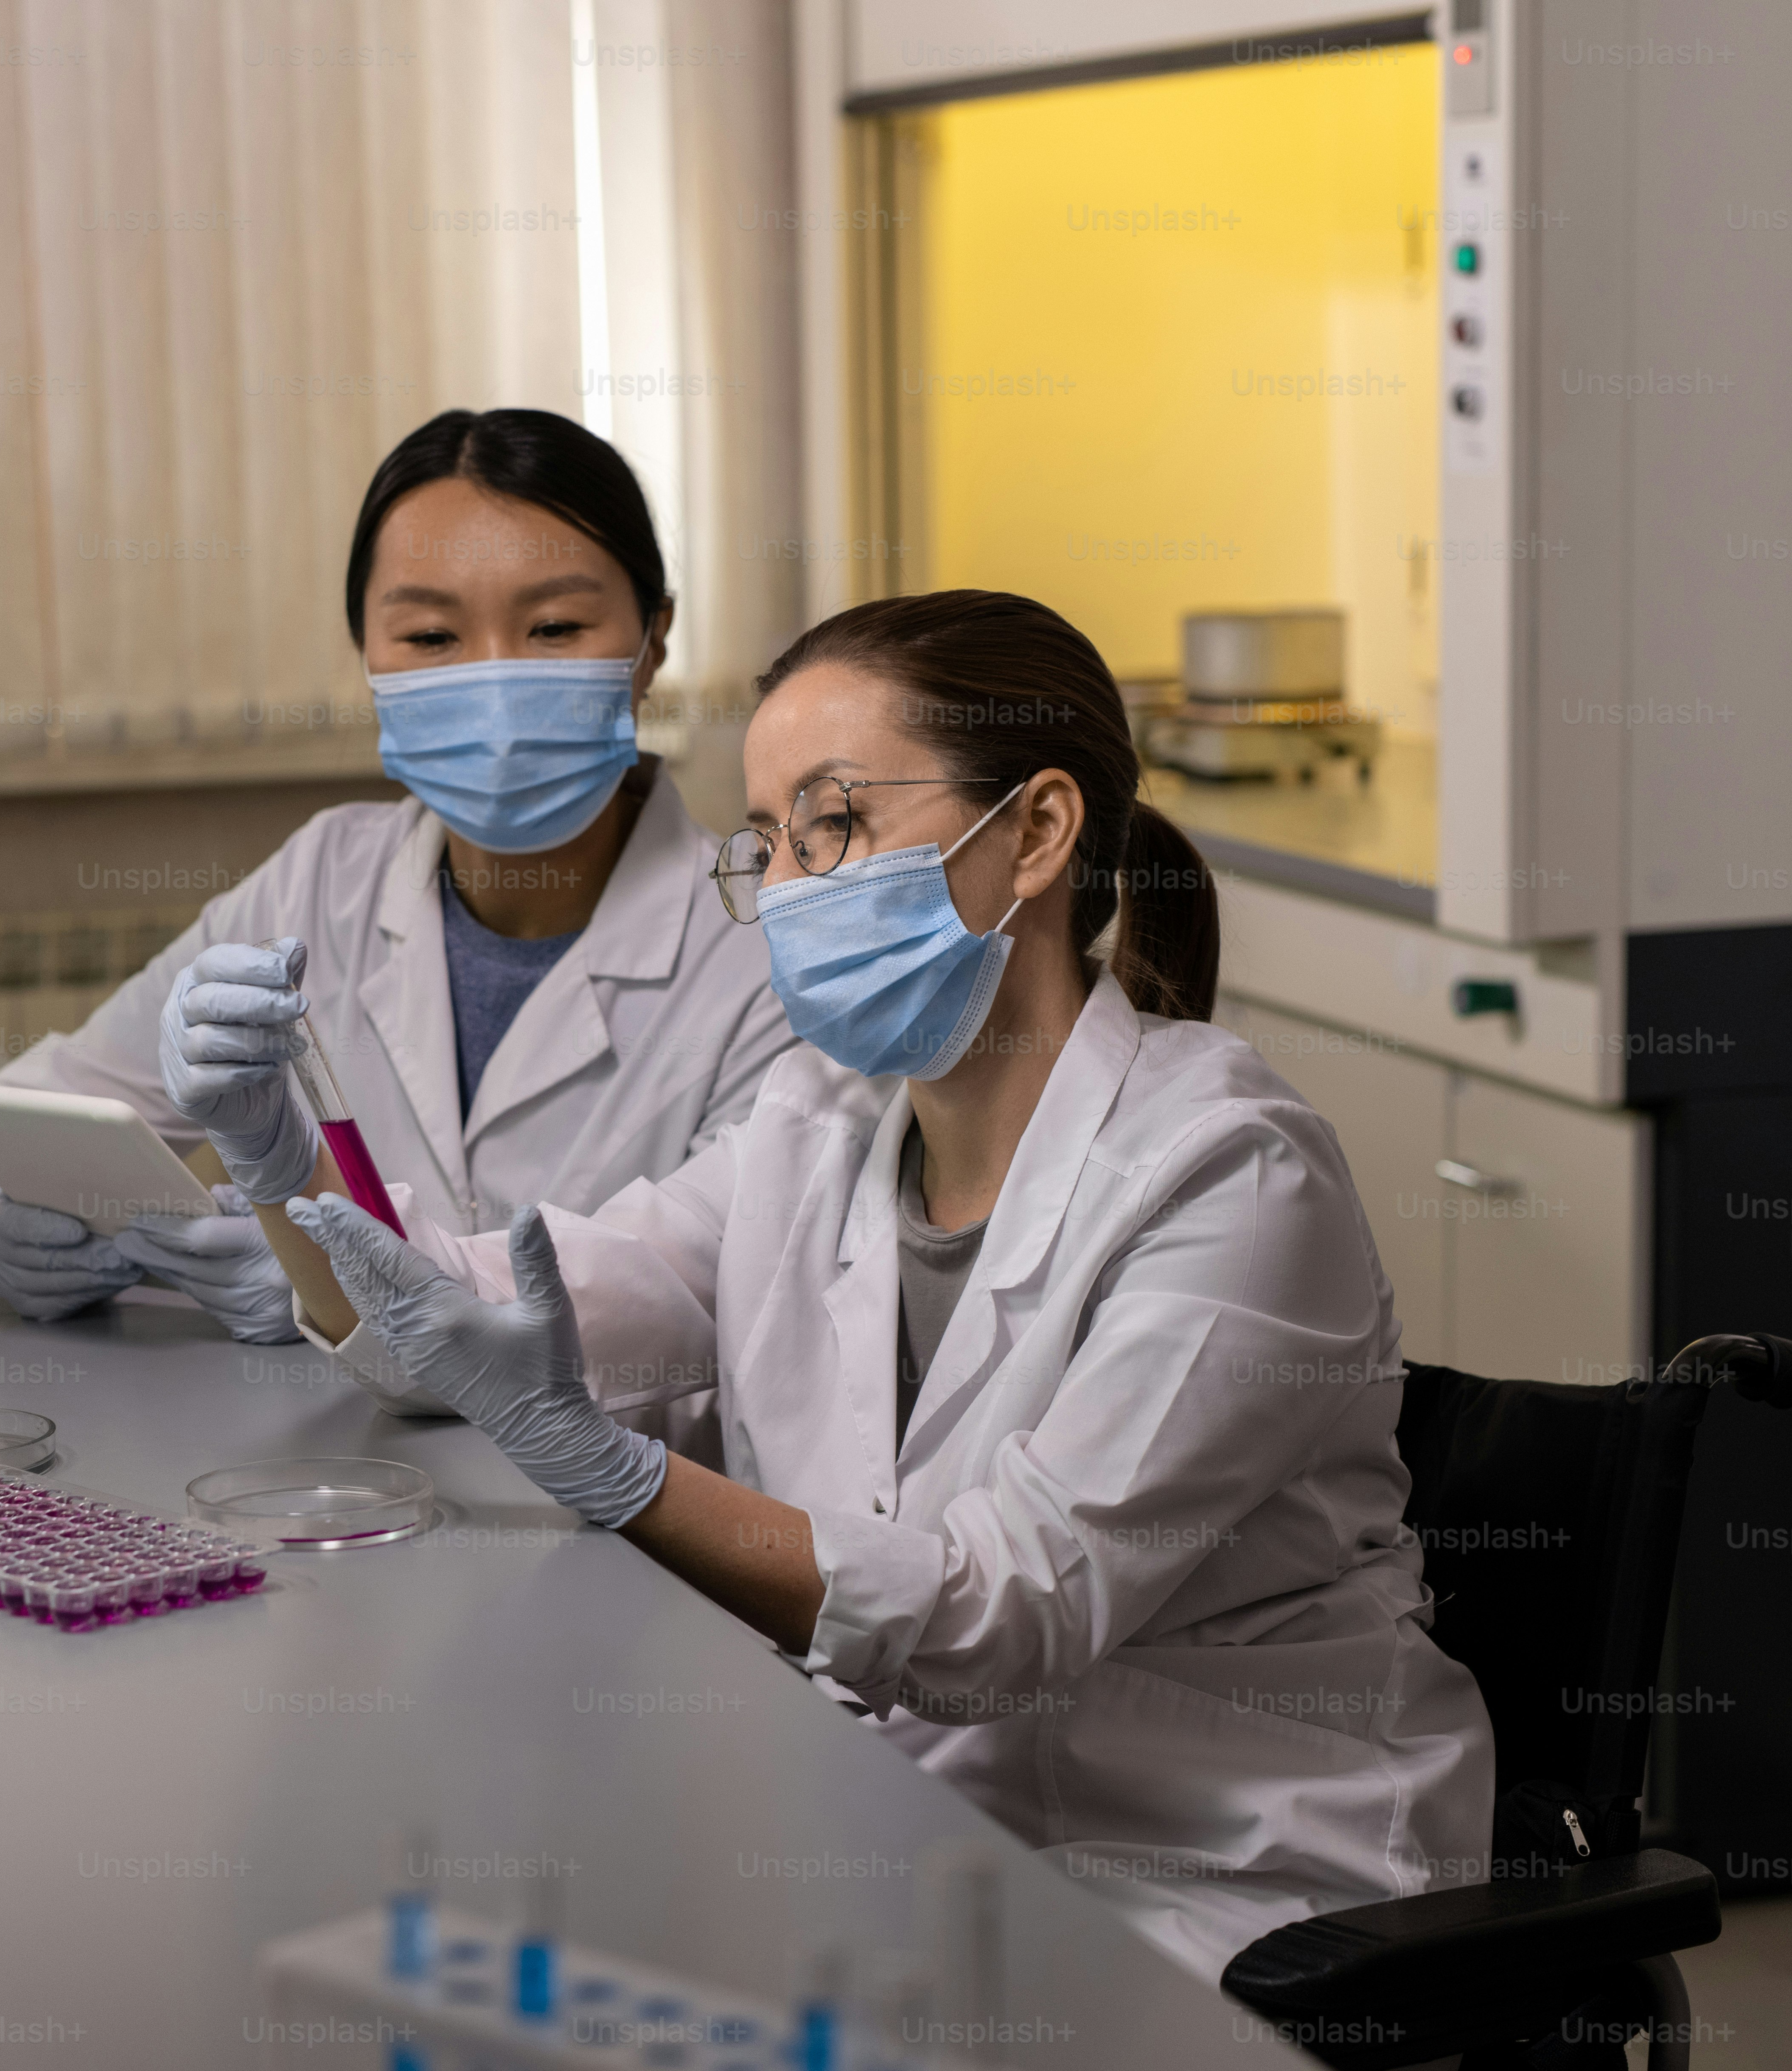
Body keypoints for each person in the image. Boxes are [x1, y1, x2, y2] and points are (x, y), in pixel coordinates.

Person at [171, 588, 1493, 1982]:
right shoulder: (817, 1126)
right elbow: (451, 1321)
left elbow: (1001, 1617)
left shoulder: (1232, 1173)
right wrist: (280, 1156)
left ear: (1036, 833)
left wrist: (616, 1474)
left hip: (1224, 1893)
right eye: (770, 845)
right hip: (915, 1844)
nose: (792, 888)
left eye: (837, 826)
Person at [0, 409, 794, 1343]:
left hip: (613, 1483)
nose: (493, 684)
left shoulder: (760, 943)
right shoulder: (326, 877)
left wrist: (333, 1286)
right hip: (340, 1474)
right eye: (430, 638)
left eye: (554, 626)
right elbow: (37, 1109)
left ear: (653, 641)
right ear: (367, 659)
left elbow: (712, 1292)